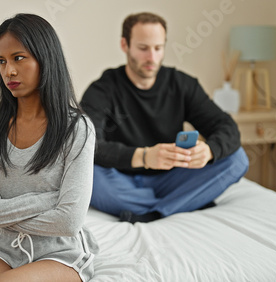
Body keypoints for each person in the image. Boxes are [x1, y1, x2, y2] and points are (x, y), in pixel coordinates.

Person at [0, 13, 98, 282]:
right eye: (1, 61)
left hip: (60, 250)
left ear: (45, 58)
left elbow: (69, 221)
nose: (9, 71)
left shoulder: (77, 128)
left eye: (19, 58)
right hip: (2, 246)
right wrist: (50, 199)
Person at [80, 12, 249, 224]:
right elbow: (88, 145)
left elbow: (226, 126)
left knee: (237, 159)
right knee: (85, 171)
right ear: (125, 45)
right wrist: (144, 156)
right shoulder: (102, 89)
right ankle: (186, 202)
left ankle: (154, 212)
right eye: (143, 48)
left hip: (172, 177)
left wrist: (208, 151)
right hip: (121, 179)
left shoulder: (182, 84)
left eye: (158, 48)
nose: (151, 57)